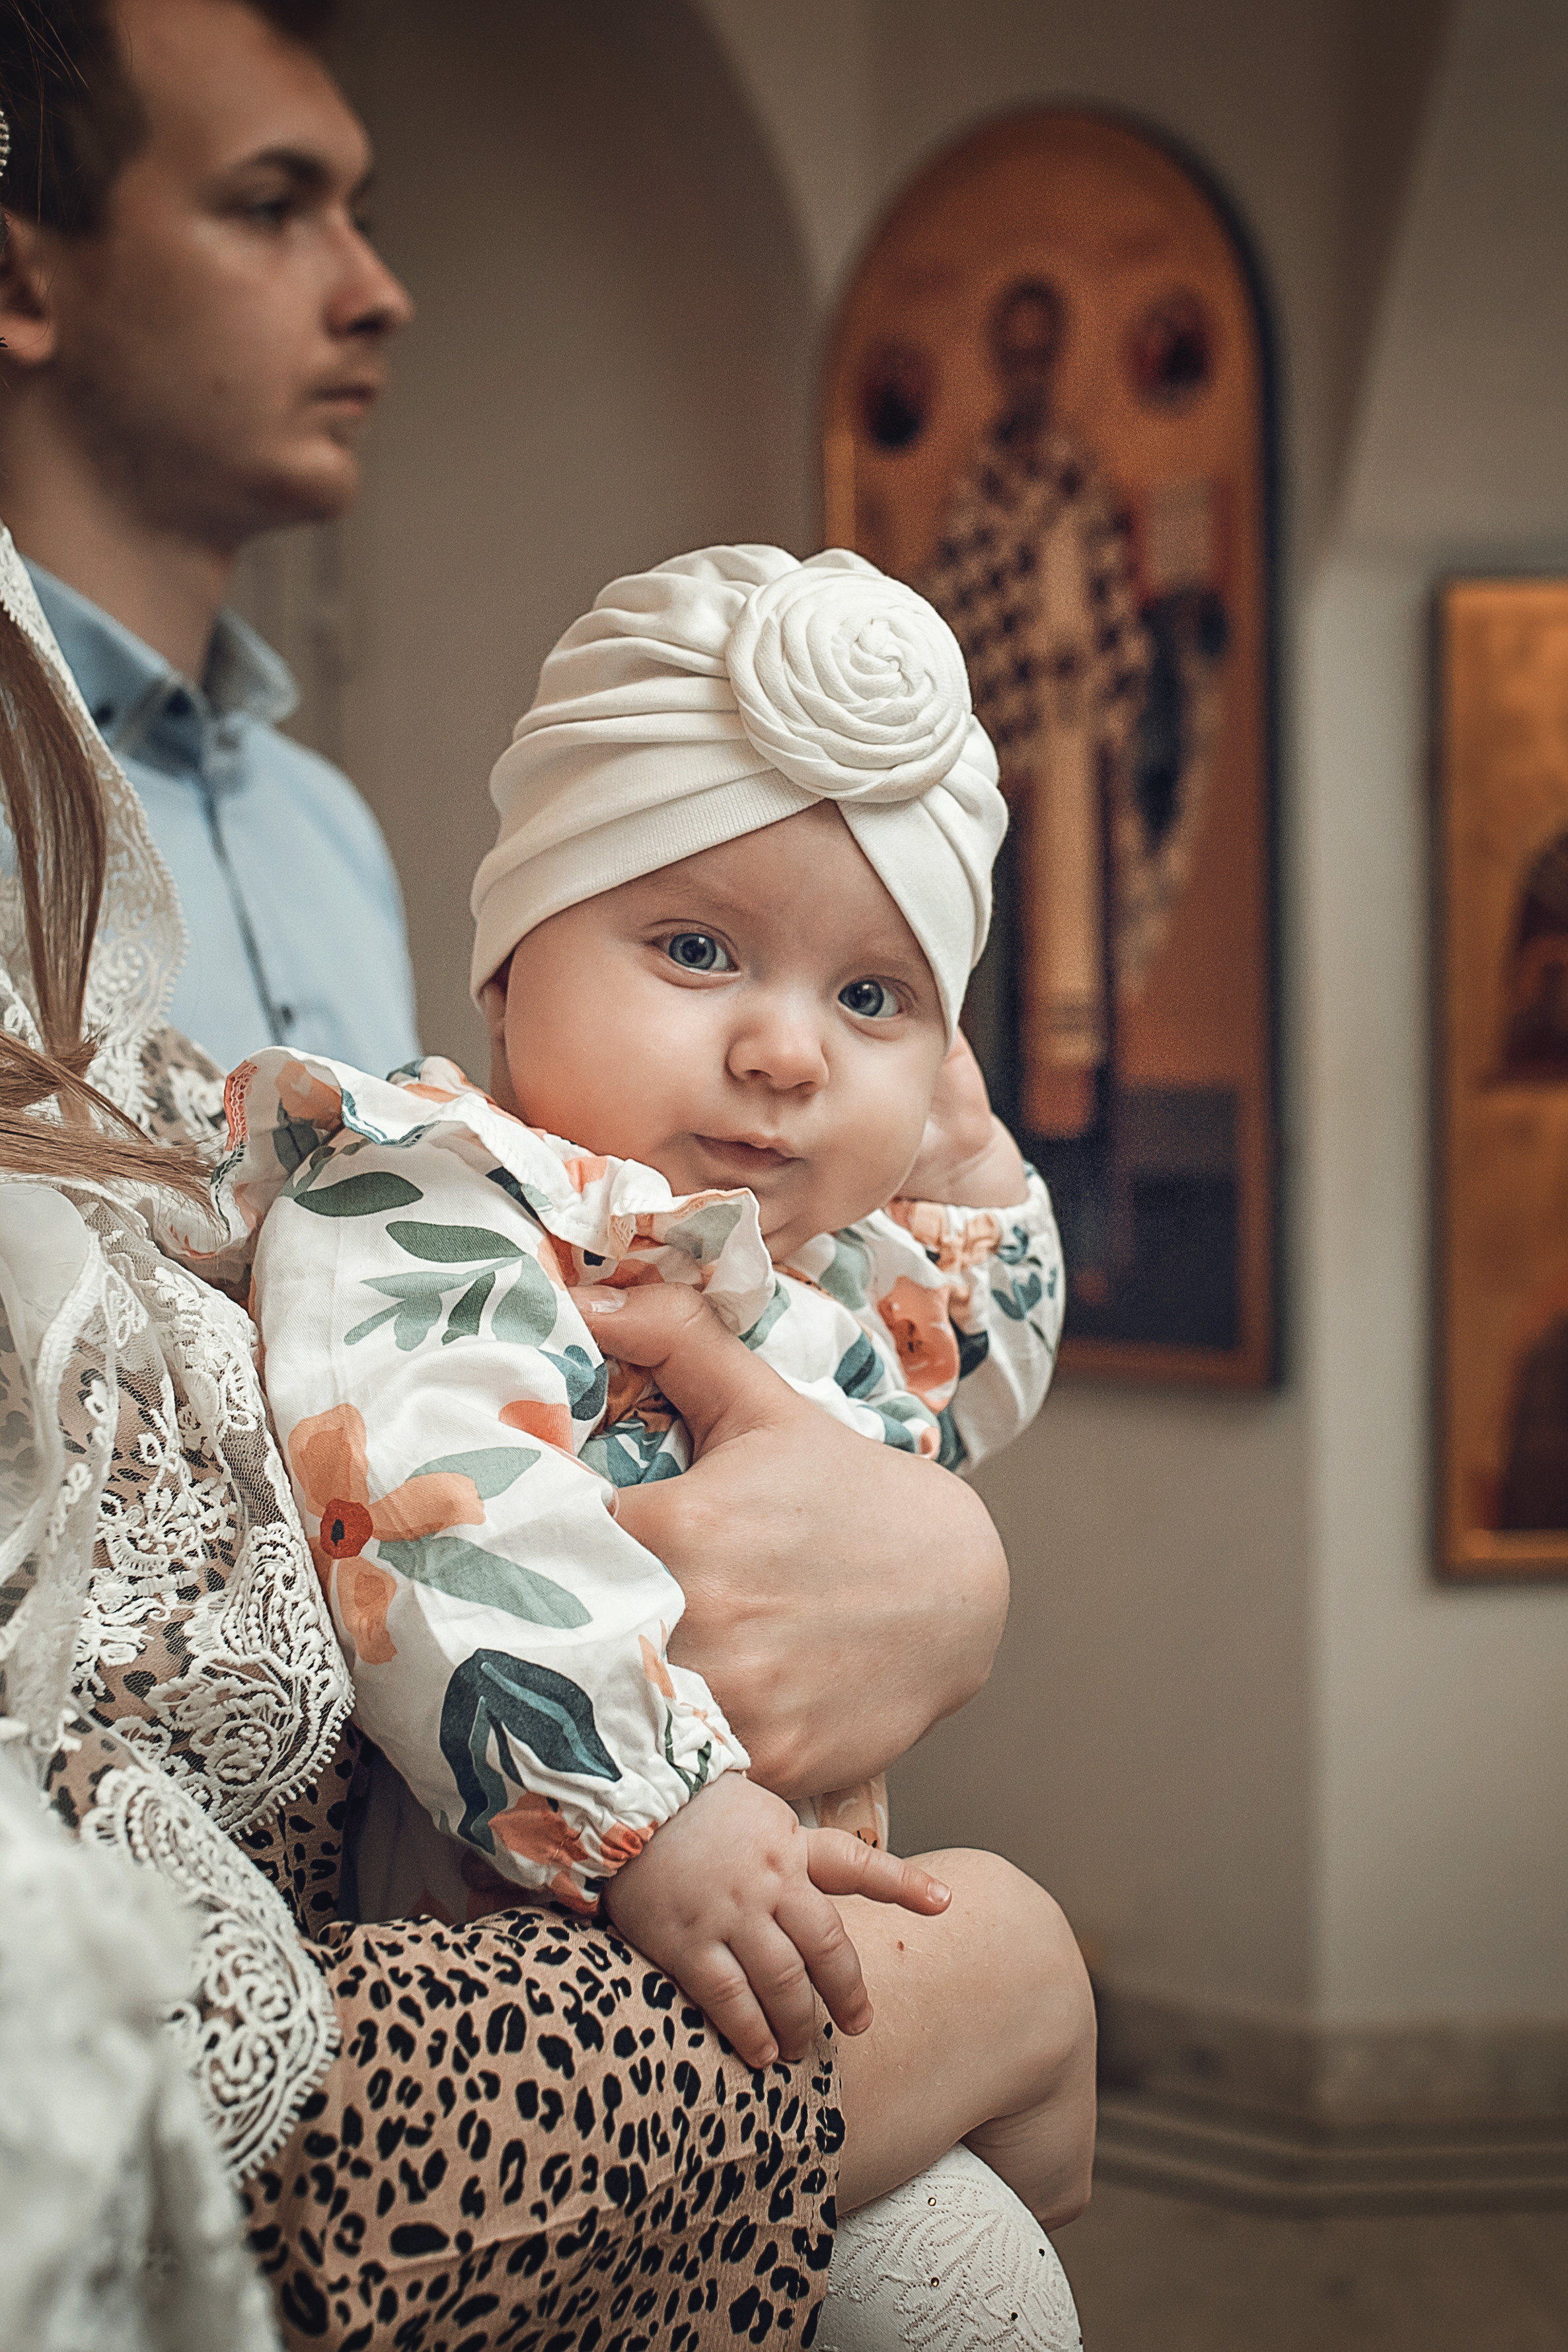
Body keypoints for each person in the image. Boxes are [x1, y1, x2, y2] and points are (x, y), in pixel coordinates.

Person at [0, 517, 1092, 2345]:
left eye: (869, 997)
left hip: (756, 1970)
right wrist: (640, 1813)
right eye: (692, 947)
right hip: (547, 1927)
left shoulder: (782, 1262)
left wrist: (968, 1165)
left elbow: (958, 1365)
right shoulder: (433, 1200)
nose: (781, 1051)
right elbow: (429, 1504)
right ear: (508, 968)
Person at [0, 0, 420, 1075]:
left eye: (359, 220)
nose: (380, 296)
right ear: (19, 283)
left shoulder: (328, 832)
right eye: (272, 206)